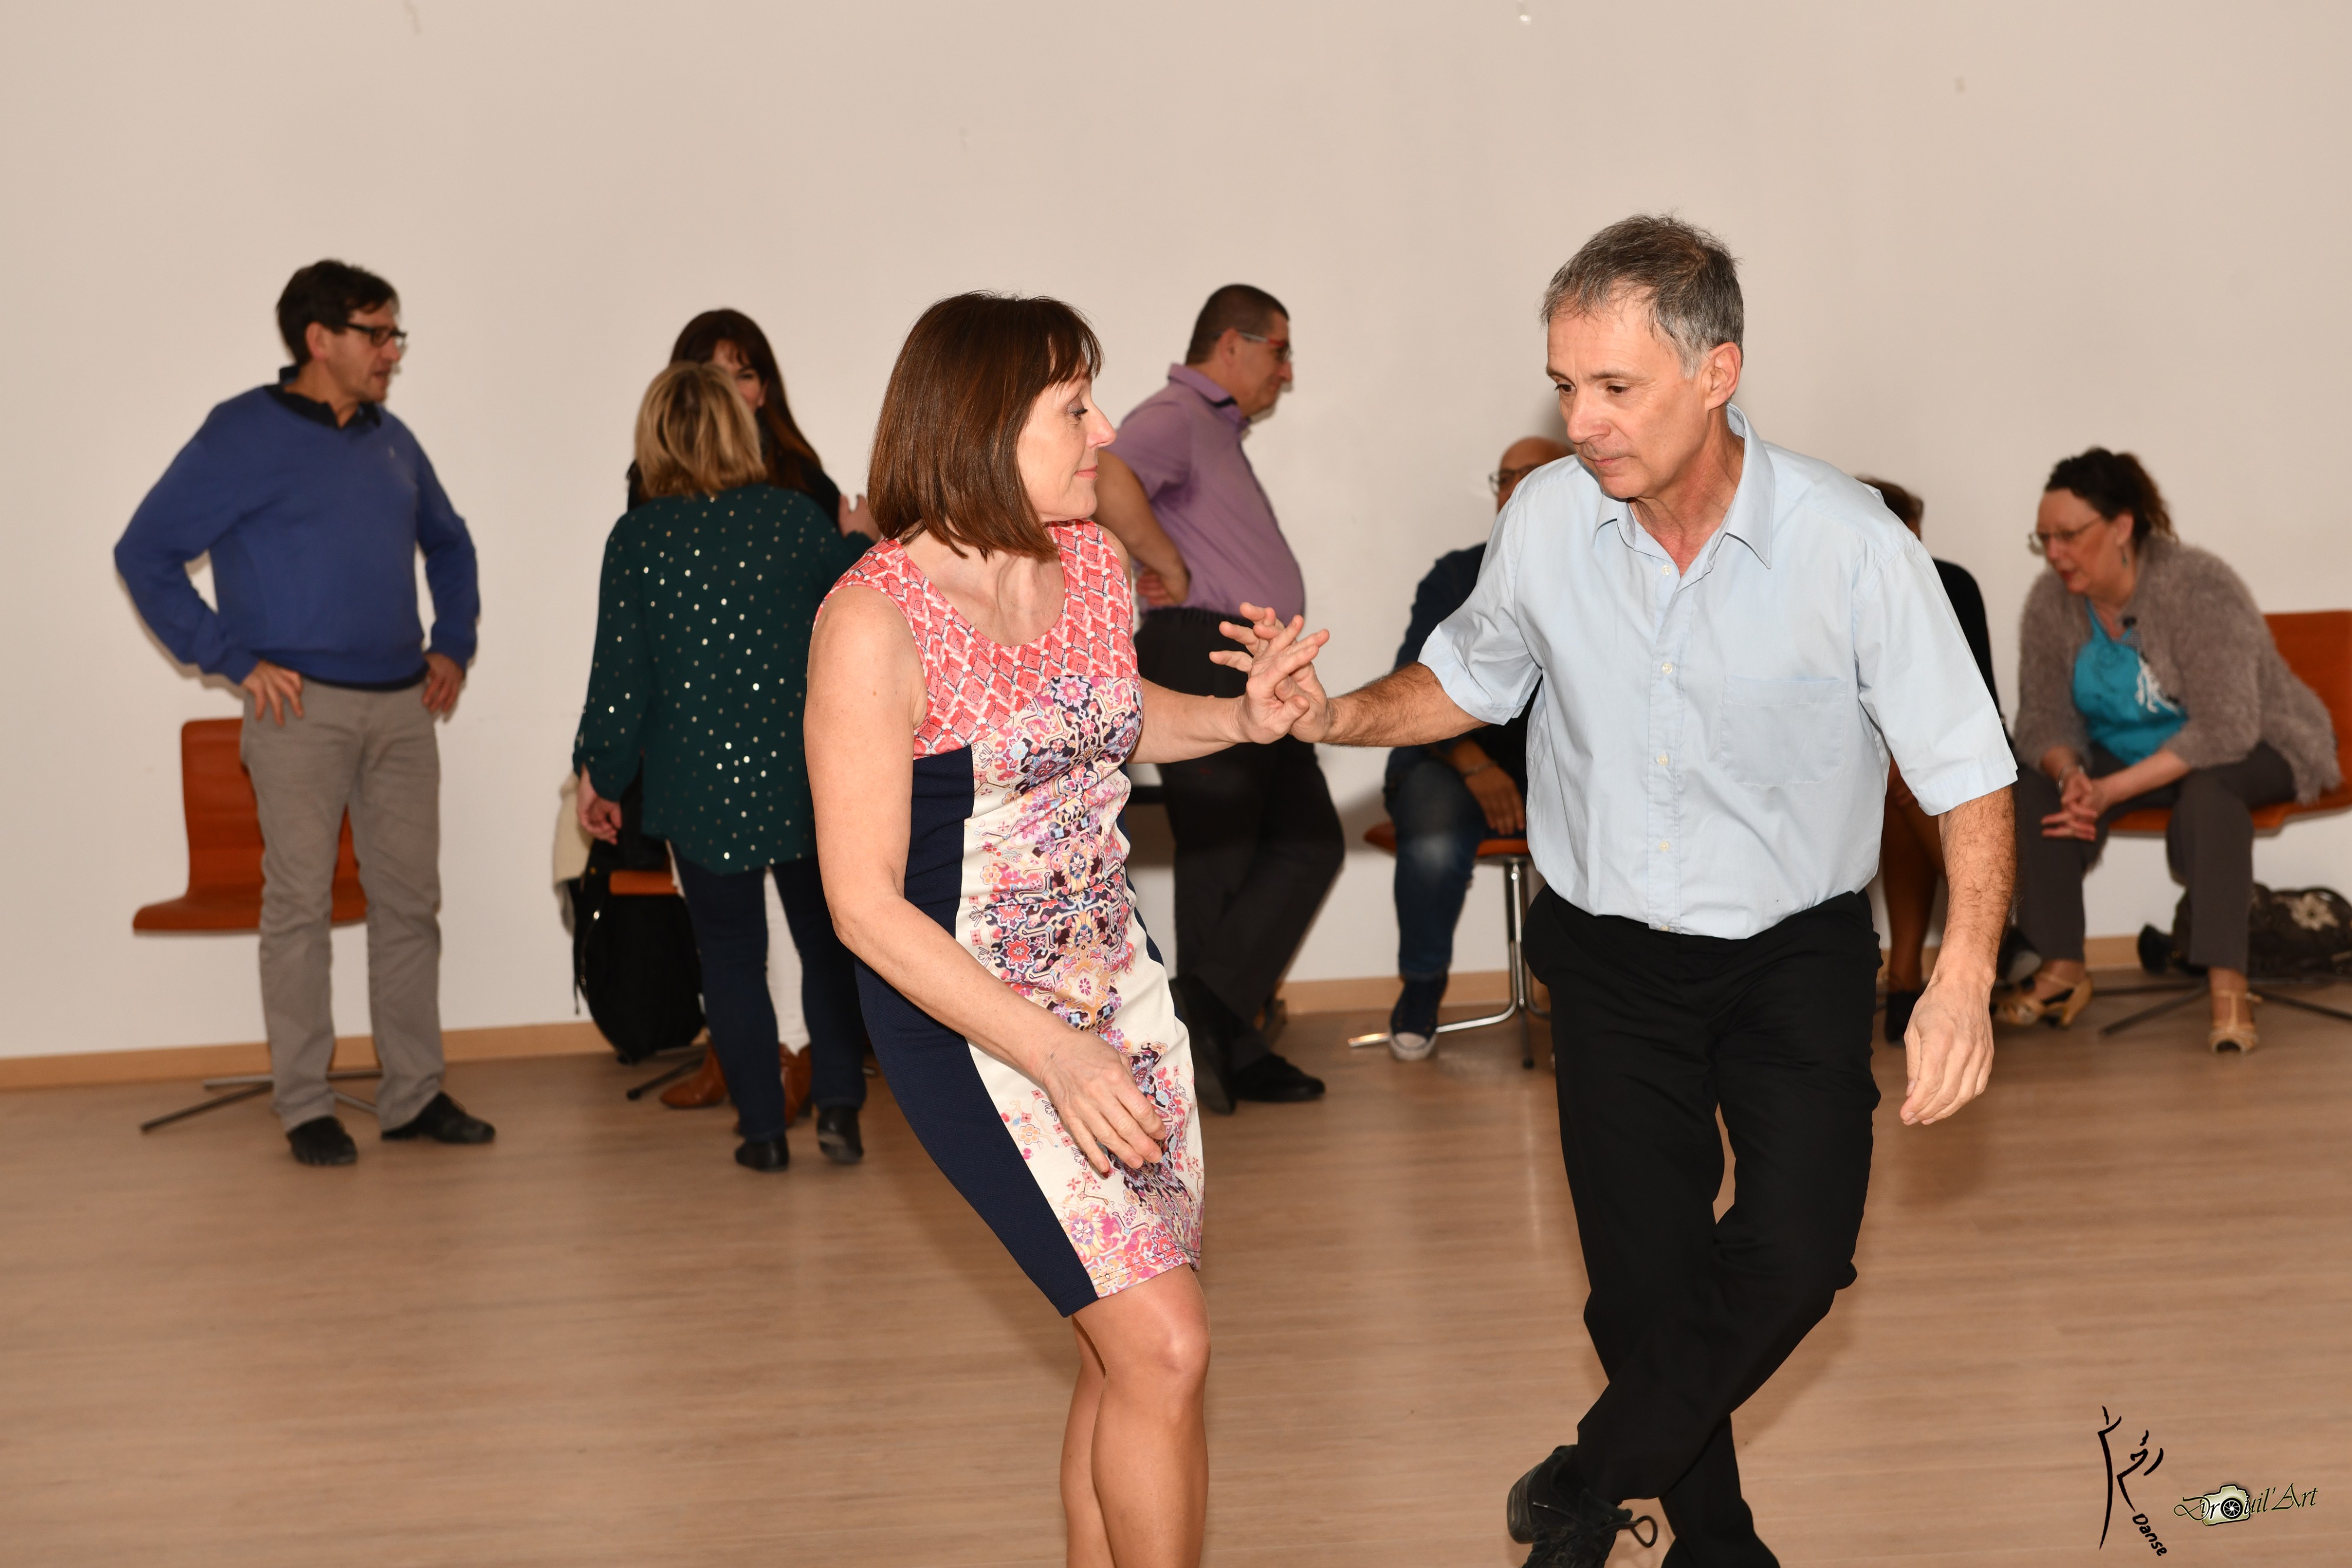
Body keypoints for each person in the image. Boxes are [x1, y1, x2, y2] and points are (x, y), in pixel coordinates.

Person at [1249, 216, 2016, 1567]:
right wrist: (1331, 715)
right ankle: (1702, 1548)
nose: (1580, 421)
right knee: (1643, 1292)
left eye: (1615, 386)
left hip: (1792, 955)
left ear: (1716, 373)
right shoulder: (1547, 520)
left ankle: (1584, 1480)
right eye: (1565, 385)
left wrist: (1958, 979)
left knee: (1794, 1255)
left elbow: (1966, 770)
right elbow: (1463, 682)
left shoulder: (1847, 544)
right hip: (1607, 961)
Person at [804, 292, 1326, 1568]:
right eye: (1073, 408)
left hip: (1119, 996)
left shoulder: (1087, 562)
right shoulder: (871, 619)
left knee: (1120, 1347)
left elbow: (1116, 716)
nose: (1104, 432)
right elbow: (862, 903)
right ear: (984, 426)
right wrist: (1052, 1051)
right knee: (1167, 1343)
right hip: (975, 1025)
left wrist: (1242, 719)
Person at [115, 260, 489, 1168]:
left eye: (397, 334)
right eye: (377, 334)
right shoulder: (241, 433)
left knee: (410, 906)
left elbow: (450, 543)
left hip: (404, 706)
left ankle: (413, 1094)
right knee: (299, 908)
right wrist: (231, 658)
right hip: (300, 712)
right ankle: (306, 1104)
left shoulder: (393, 441)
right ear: (320, 339)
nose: (392, 352)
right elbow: (144, 551)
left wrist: (453, 641)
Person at [573, 361, 872, 1169]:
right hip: (805, 779)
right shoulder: (795, 519)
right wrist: (857, 539)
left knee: (733, 960)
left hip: (698, 787)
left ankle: (764, 1133)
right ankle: (839, 1109)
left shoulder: (638, 539)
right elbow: (858, 614)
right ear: (742, 431)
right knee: (828, 944)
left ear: (654, 440)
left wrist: (598, 773)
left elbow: (620, 681)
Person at [2001, 447, 2339, 1052]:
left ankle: (2228, 983)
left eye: (2069, 535)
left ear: (2121, 526)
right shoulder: (2050, 604)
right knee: (2031, 783)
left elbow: (2226, 727)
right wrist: (2071, 774)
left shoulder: (2197, 586)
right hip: (2125, 752)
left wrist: (2109, 792)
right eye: (2044, 538)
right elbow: (2041, 720)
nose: (2054, 553)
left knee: (2210, 793)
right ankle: (2061, 965)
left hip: (2259, 740)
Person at [1091, 283, 1336, 1112]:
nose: (1287, 371)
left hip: (1250, 660)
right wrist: (1165, 560)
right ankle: (1218, 1041)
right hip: (1202, 650)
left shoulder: (1214, 429)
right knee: (1222, 851)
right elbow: (1109, 472)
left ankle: (1211, 1017)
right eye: (1280, 351)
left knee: (1307, 839)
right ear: (1232, 343)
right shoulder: (1177, 412)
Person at [1379, 436, 1571, 1059]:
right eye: (1504, 476)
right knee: (1435, 828)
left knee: (1599, 817)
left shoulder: (1602, 571)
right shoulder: (1458, 573)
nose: (1513, 488)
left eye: (1531, 474)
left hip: (1555, 759)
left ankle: (1583, 999)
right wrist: (1476, 764)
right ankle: (1422, 986)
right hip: (1451, 755)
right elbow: (1418, 681)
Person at [1854, 477, 2000, 1043]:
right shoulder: (1836, 588)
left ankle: (1908, 976)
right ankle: (1916, 972)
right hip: (1882, 764)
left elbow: (1978, 703)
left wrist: (1915, 761)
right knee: (1897, 789)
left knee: (1909, 789)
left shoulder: (1953, 583)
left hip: (1961, 750)